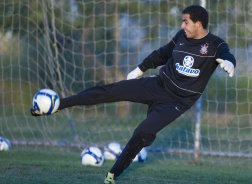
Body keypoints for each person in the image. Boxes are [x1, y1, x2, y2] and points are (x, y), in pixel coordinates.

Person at [31, 5, 236, 184]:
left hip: (177, 102)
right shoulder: (182, 36)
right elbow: (162, 54)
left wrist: (229, 62)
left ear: (199, 23)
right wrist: (140, 69)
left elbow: (227, 54)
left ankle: (112, 174)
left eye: (185, 22)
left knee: (143, 133)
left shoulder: (215, 45)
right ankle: (59, 104)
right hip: (157, 84)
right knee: (110, 91)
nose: (182, 26)